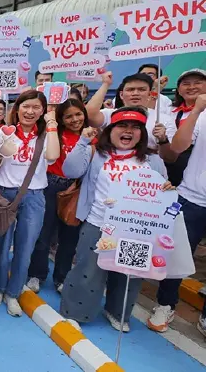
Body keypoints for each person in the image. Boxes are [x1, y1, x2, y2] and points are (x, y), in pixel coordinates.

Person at [60, 107, 174, 332]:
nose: (128, 131)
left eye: (135, 127)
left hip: (136, 228)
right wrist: (82, 142)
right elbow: (70, 171)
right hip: (97, 222)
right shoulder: (96, 153)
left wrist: (167, 189)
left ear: (142, 133)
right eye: (122, 125)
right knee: (88, 271)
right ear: (110, 130)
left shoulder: (152, 159)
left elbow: (162, 191)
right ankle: (75, 312)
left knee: (129, 275)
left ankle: (117, 312)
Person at [0, 90, 60, 316]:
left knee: (25, 247)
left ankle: (13, 293)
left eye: (36, 107)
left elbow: (52, 156)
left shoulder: (47, 135)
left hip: (34, 196)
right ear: (17, 108)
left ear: (43, 111)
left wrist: (52, 124)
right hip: (3, 195)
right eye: (25, 106)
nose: (30, 111)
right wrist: (1, 153)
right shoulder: (4, 133)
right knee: (1, 245)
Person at [148, 86, 206, 334]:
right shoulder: (201, 115)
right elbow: (178, 147)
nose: (193, 86)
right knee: (176, 255)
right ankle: (165, 304)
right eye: (188, 83)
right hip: (192, 197)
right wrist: (196, 111)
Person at [26, 98, 88, 294]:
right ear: (61, 119)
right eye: (68, 116)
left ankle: (62, 278)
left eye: (78, 114)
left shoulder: (92, 136)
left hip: (77, 189)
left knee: (69, 238)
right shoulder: (54, 134)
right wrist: (50, 116)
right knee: (43, 234)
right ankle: (36, 274)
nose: (74, 119)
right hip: (51, 185)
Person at [86, 72, 176, 153]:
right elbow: (89, 116)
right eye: (130, 89)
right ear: (121, 95)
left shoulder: (163, 119)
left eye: (141, 89)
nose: (135, 93)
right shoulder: (110, 114)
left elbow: (171, 158)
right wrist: (106, 84)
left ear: (149, 94)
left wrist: (163, 140)